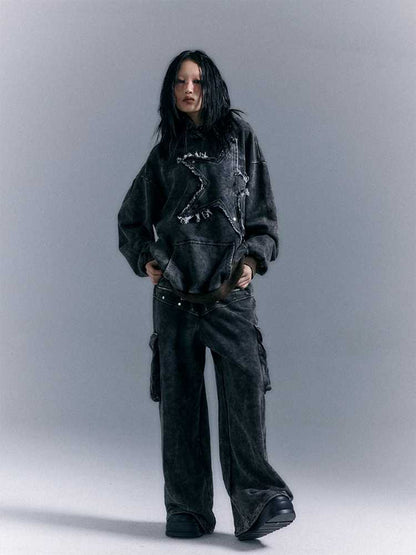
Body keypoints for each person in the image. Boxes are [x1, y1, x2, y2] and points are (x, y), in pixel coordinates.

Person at [117, 49, 295, 541]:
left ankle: (257, 503)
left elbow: (263, 218)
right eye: (179, 82)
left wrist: (251, 260)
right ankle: (188, 509)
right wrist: (147, 259)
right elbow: (131, 219)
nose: (187, 89)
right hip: (175, 299)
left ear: (211, 86)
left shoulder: (240, 139)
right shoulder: (165, 153)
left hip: (228, 296)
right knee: (180, 406)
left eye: (196, 81)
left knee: (244, 394)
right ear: (170, 90)